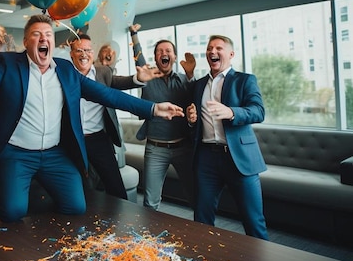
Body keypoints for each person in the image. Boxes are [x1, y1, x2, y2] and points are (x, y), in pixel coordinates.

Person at [0, 14, 185, 223]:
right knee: (13, 211)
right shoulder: (9, 65)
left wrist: (152, 109)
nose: (44, 38)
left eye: (48, 34)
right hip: (18, 154)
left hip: (55, 154)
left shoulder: (65, 71)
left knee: (76, 206)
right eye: (36, 34)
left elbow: (107, 95)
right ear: (25, 41)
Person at [186, 35, 268, 240]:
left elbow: (258, 111)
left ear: (230, 54)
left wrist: (232, 112)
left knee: (253, 220)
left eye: (218, 48)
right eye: (209, 48)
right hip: (206, 159)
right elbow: (193, 121)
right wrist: (191, 119)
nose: (212, 51)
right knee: (202, 218)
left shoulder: (245, 80)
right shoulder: (198, 85)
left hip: (239, 158)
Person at [68, 34, 162, 199]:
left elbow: (120, 82)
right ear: (71, 54)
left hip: (98, 138)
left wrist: (138, 79)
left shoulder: (103, 73)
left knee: (116, 188)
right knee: (79, 189)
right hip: (73, 140)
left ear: (93, 52)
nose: (84, 54)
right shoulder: (64, 75)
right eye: (79, 50)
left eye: (88, 50)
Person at [130, 24, 196, 210]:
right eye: (159, 51)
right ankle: (149, 239)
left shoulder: (185, 79)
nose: (163, 53)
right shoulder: (147, 77)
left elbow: (195, 102)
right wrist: (133, 33)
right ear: (156, 58)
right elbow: (138, 55)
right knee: (150, 202)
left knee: (196, 196)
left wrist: (190, 75)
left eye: (168, 51)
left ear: (174, 57)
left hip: (183, 148)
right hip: (155, 149)